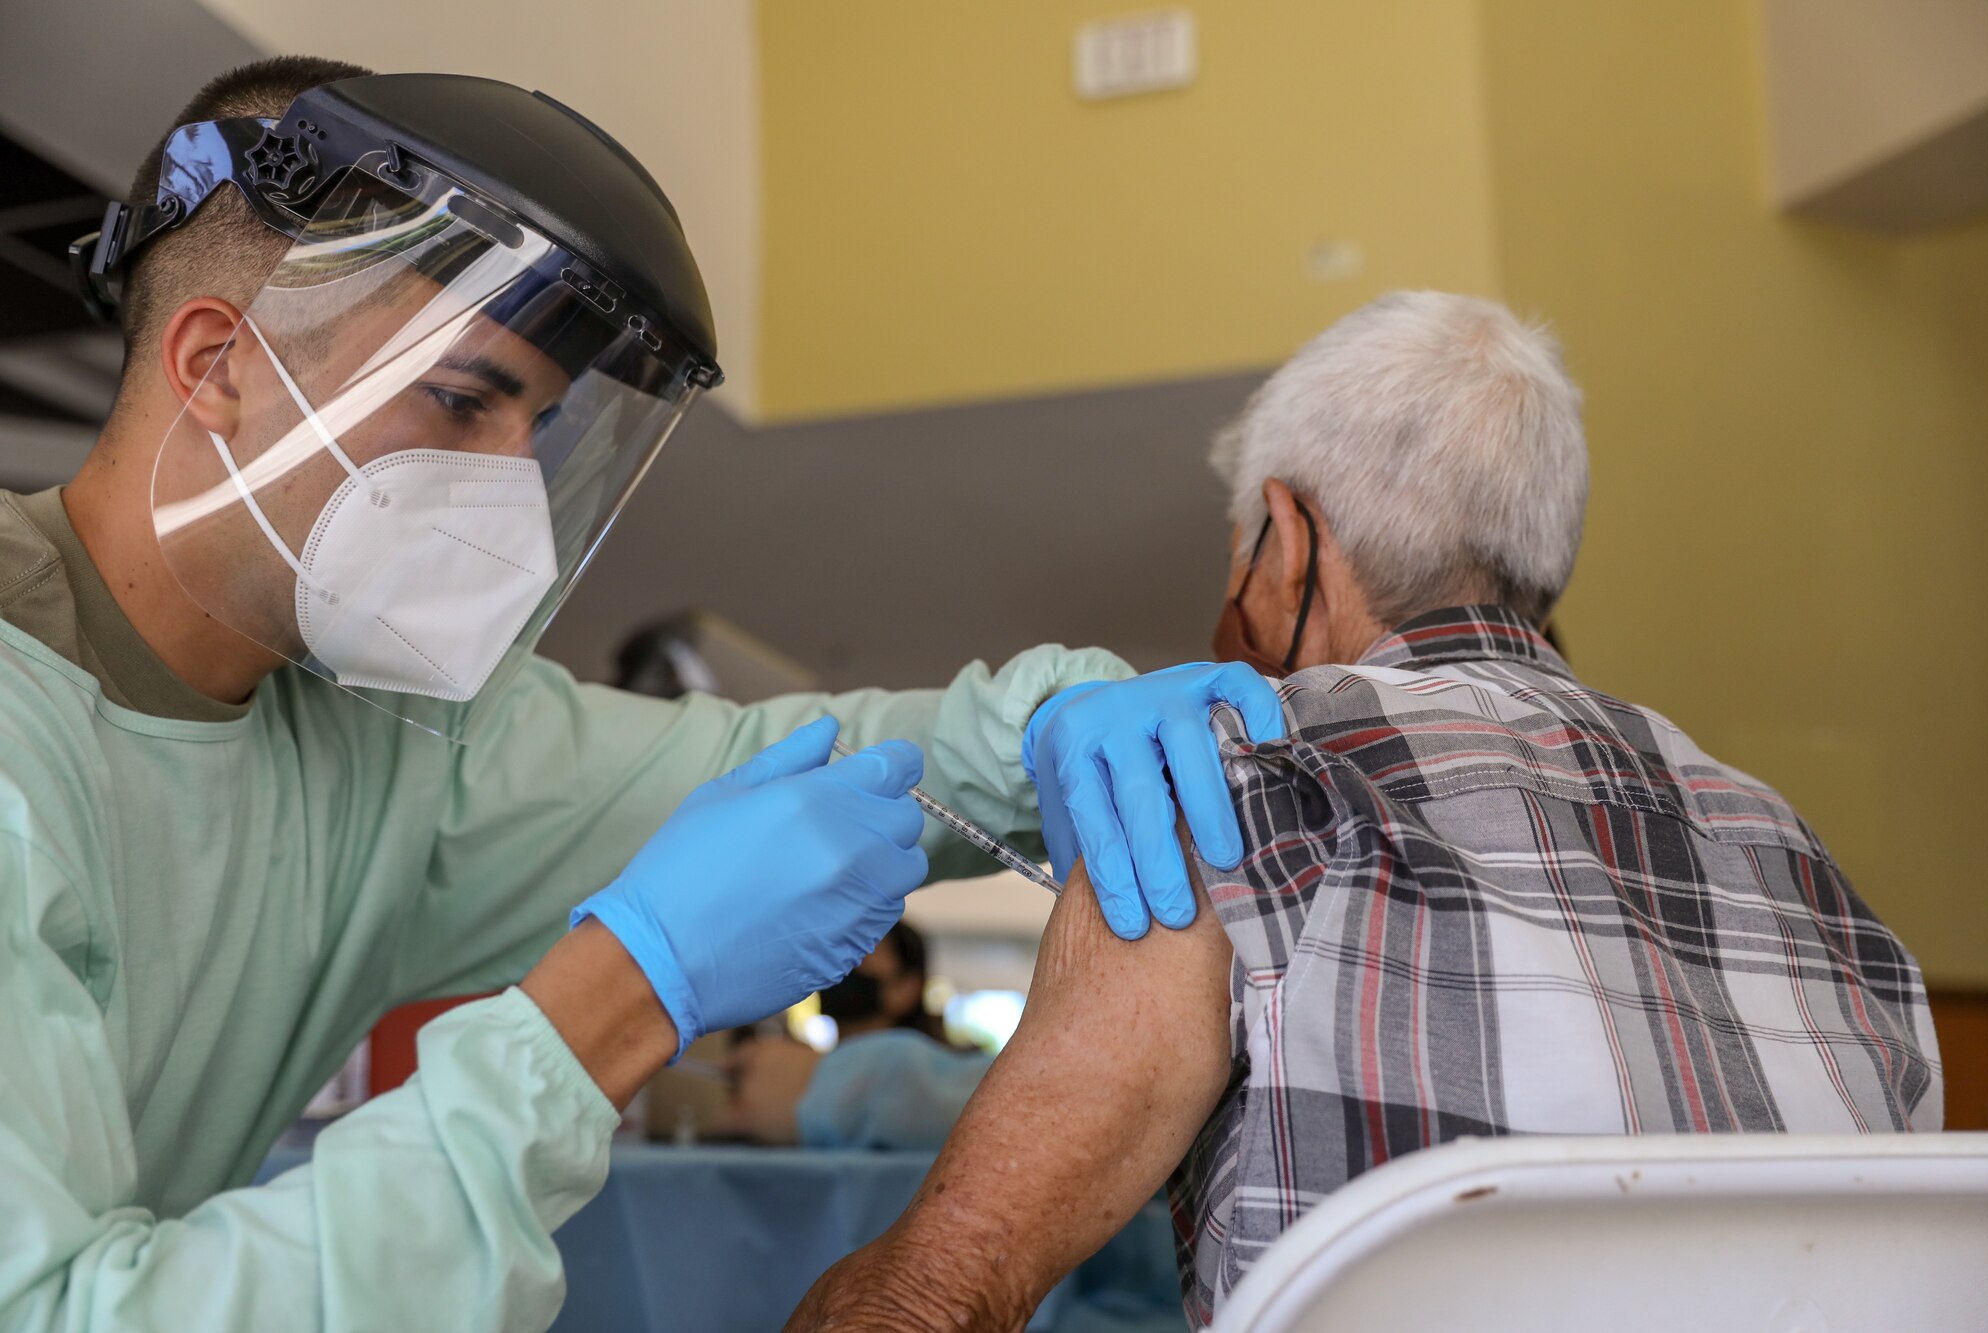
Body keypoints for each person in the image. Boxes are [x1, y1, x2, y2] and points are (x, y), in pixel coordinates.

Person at [0, 58, 1282, 1332]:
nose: (511, 500)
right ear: (218, 363)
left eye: (538, 434)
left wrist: (1051, 727)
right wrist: (617, 995)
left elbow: (797, 758)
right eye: (462, 402)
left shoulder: (393, 743)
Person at [783, 292, 1943, 1330]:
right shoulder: (1801, 858)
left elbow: (932, 1296)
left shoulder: (1220, 786)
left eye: (1238, 561)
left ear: (1284, 542)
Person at [719, 921, 997, 1150]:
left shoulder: (919, 1087)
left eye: (861, 952)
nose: (839, 966)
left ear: (906, 988)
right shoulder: (807, 1076)